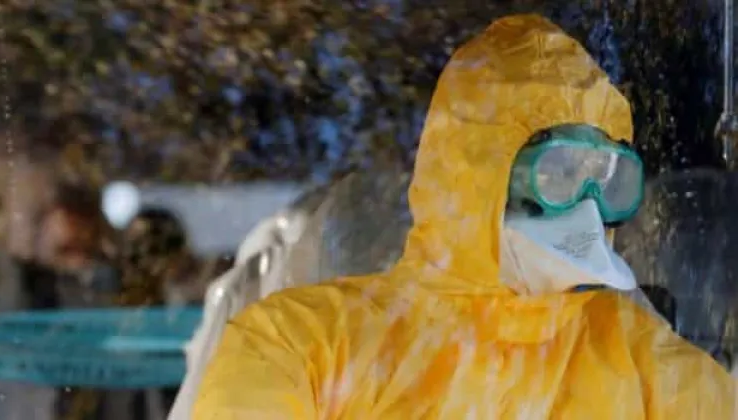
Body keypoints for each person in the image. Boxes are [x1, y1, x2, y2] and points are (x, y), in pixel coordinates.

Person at [192, 14, 735, 419]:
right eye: (561, 172)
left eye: (609, 178)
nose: (587, 208)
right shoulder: (301, 344)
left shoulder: (643, 362)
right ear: (478, 169)